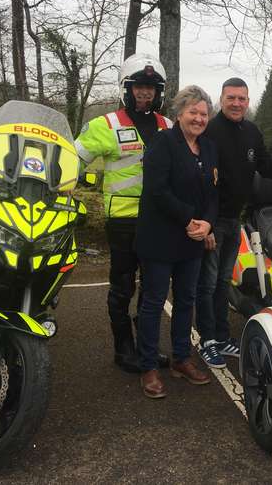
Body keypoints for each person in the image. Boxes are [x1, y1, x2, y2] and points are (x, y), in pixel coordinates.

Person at [74, 53, 172, 374]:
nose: (145, 93)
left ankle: (145, 345)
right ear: (126, 89)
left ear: (159, 93)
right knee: (122, 287)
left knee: (153, 289)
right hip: (123, 222)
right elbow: (72, 159)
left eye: (151, 88)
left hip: (158, 222)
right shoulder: (106, 125)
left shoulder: (168, 127)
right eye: (139, 87)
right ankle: (123, 348)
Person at [195, 77, 272, 368]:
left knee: (224, 282)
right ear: (221, 99)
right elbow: (200, 182)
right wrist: (206, 224)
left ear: (248, 101)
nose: (237, 103)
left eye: (242, 98)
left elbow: (268, 169)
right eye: (231, 98)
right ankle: (207, 340)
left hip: (233, 222)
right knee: (208, 283)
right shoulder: (209, 131)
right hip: (211, 223)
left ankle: (222, 337)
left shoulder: (251, 132)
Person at [135, 85, 219, 398]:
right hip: (160, 236)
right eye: (193, 112)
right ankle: (148, 366)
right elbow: (157, 191)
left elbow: (213, 193)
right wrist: (190, 220)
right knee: (154, 303)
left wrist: (207, 223)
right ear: (179, 114)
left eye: (203, 113)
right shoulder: (162, 142)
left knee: (186, 300)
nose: (199, 118)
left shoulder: (209, 148)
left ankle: (181, 359)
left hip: (193, 238)